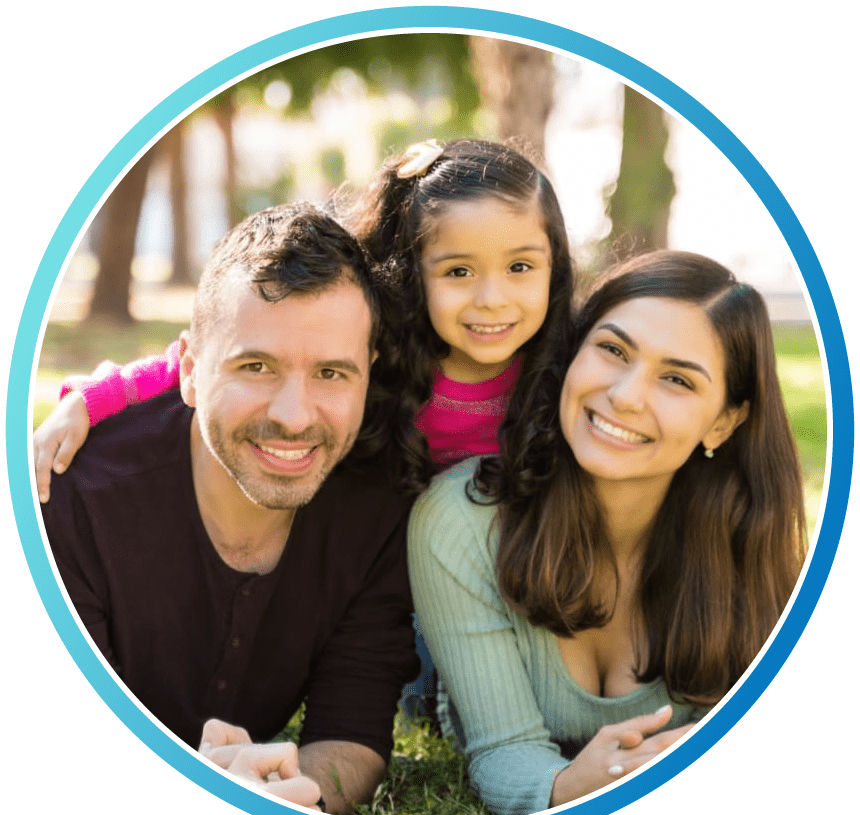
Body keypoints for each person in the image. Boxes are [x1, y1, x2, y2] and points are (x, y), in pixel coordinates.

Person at [33, 138, 576, 717]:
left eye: (520, 267)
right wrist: (93, 400)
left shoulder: (564, 372)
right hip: (416, 604)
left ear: (554, 266)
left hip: (529, 586)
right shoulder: (386, 355)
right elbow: (201, 362)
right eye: (459, 271)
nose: (492, 300)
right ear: (415, 274)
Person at [38, 202, 419, 815]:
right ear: (188, 370)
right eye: (256, 366)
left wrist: (297, 795)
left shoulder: (375, 512)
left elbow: (352, 732)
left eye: (330, 373)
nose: (294, 416)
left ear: (367, 378)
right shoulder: (73, 501)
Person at [407, 250, 806, 815]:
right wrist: (568, 787)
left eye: (676, 379)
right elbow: (504, 752)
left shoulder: (751, 547)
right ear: (575, 351)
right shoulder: (462, 517)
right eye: (613, 350)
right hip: (432, 670)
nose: (625, 395)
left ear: (724, 420)